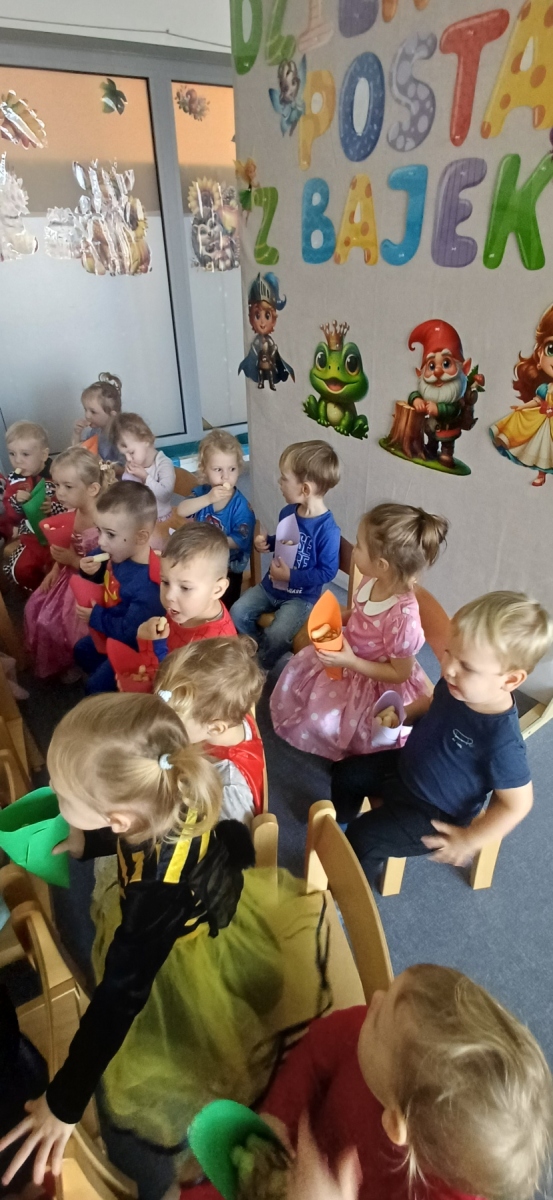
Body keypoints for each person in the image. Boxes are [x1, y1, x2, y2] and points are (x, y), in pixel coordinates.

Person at [0, 694, 332, 1191]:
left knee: (193, 1033)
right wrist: (86, 840)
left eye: (65, 799)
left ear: (118, 818)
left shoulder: (155, 897)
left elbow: (119, 999)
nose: (56, 802)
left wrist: (64, 1102)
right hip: (188, 898)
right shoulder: (163, 787)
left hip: (184, 942)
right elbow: (130, 832)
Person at [256, 964, 553, 1200]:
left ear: (395, 1125)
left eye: (378, 1020)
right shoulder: (367, 1032)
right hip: (286, 1159)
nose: (375, 999)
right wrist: (278, 1117)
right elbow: (314, 1054)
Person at [331, 591, 553, 884]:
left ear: (510, 680)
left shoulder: (502, 741)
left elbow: (518, 804)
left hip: (435, 812)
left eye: (467, 666)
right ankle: (339, 827)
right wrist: (404, 715)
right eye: (449, 652)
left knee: (365, 839)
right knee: (345, 773)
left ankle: (343, 894)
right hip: (405, 767)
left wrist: (470, 839)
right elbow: (431, 703)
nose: (448, 669)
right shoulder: (456, 685)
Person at [271, 504, 448, 760]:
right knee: (298, 678)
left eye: (359, 546)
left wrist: (351, 662)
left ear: (382, 564)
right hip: (348, 654)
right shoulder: (372, 578)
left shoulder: (403, 620)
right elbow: (363, 613)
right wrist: (340, 618)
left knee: (325, 722)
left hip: (373, 676)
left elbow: (400, 673)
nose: (353, 550)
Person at [231, 442, 340, 669]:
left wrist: (290, 576)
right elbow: (285, 542)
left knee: (278, 633)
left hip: (301, 597)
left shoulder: (328, 530)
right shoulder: (288, 512)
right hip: (270, 586)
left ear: (305, 489)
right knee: (237, 612)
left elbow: (328, 572)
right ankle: (255, 651)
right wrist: (267, 543)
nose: (279, 483)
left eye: (284, 478)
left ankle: (261, 666)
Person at [108, 522, 237, 688]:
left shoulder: (214, 651)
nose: (169, 596)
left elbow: (174, 693)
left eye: (185, 588)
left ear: (217, 590)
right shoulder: (186, 609)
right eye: (165, 582)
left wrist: (152, 647)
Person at [24, 447, 116, 680]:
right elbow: (65, 545)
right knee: (34, 606)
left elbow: (108, 566)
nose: (59, 493)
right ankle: (63, 659)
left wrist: (72, 560)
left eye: (67, 486)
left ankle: (78, 661)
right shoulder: (72, 511)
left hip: (95, 583)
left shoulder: (104, 521)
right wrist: (55, 569)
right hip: (68, 575)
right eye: (56, 485)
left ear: (92, 489)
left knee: (64, 624)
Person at [154, 636, 266, 822]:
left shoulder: (228, 789)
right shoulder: (230, 716)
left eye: (175, 720)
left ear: (215, 728)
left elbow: (233, 837)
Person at [73, 481, 165, 693]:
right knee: (81, 651)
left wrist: (95, 616)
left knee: (94, 687)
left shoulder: (149, 587)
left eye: (110, 534)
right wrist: (89, 570)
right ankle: (114, 685)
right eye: (99, 530)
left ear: (140, 537)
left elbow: (129, 633)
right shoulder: (119, 552)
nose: (101, 542)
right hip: (110, 627)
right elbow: (100, 568)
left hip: (133, 647)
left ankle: (119, 698)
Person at [176, 429, 255, 609]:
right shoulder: (202, 493)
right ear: (204, 470)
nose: (225, 476)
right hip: (200, 561)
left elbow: (239, 540)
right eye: (218, 469)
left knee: (224, 607)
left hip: (228, 569)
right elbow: (181, 510)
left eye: (232, 469)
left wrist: (209, 544)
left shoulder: (241, 507)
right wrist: (208, 499)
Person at [490, 302, 553, 487]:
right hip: (546, 423)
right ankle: (542, 475)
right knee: (543, 449)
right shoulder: (547, 388)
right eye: (551, 349)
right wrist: (522, 407)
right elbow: (537, 400)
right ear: (539, 354)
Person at [1, 422, 66, 592]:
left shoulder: (58, 474)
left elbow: (74, 504)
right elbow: (12, 517)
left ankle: (56, 594)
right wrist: (16, 503)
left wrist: (53, 506)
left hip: (59, 537)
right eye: (12, 454)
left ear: (43, 455)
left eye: (25, 454)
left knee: (61, 570)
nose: (17, 460)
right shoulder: (14, 480)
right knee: (19, 569)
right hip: (31, 536)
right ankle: (39, 594)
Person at [113, 413, 176, 520]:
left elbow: (165, 495)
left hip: (160, 520)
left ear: (146, 440)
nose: (128, 459)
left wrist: (145, 477)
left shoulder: (164, 463)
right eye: (124, 455)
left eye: (131, 452)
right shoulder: (133, 464)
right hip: (139, 520)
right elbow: (128, 495)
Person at [72, 372, 124, 463]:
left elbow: (125, 467)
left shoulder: (120, 436)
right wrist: (77, 434)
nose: (87, 416)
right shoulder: (94, 432)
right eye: (85, 410)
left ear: (112, 415)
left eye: (93, 412)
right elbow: (78, 454)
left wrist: (101, 463)